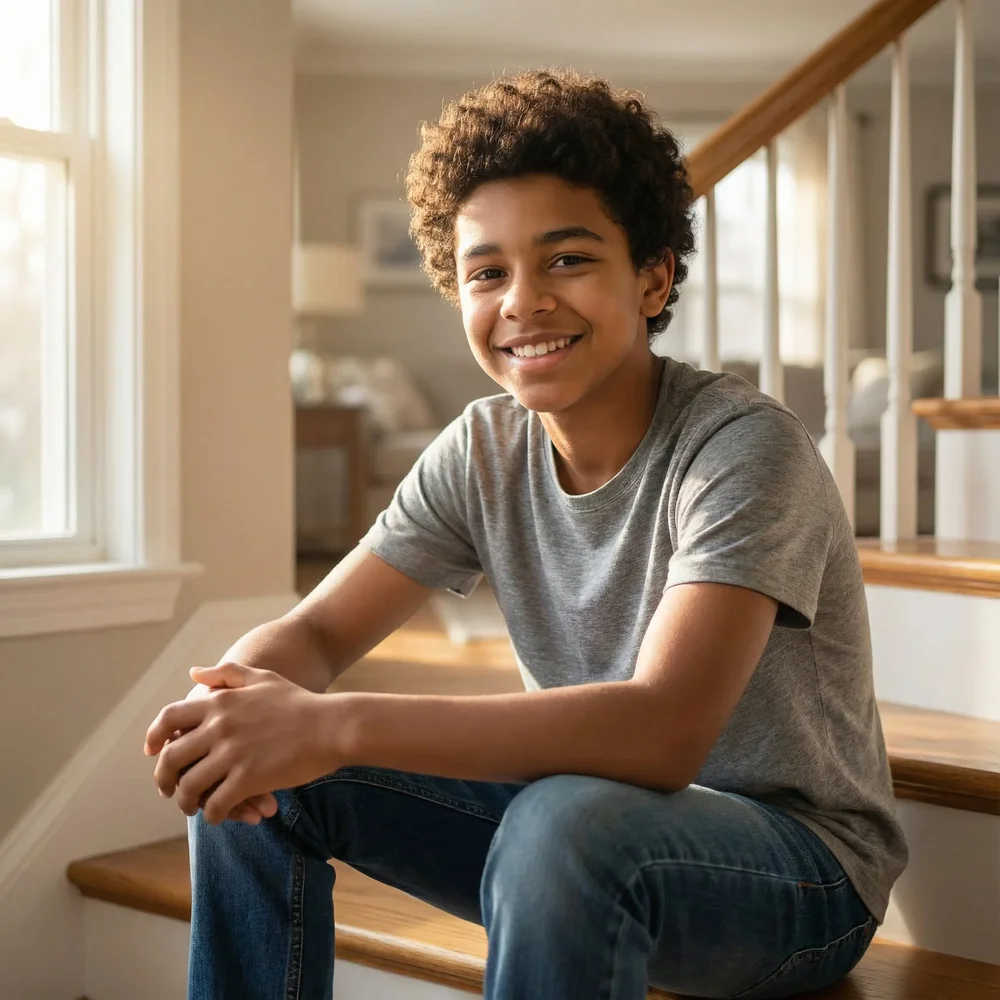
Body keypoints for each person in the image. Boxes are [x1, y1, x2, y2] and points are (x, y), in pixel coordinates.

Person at [144, 69, 907, 1000]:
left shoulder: (742, 448)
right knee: (254, 767)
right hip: (589, 833)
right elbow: (316, 635)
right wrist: (237, 701)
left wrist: (330, 722)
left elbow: (662, 732)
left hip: (795, 874)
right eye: (487, 271)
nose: (524, 300)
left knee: (562, 819)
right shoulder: (482, 448)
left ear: (654, 275)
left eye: (568, 259)